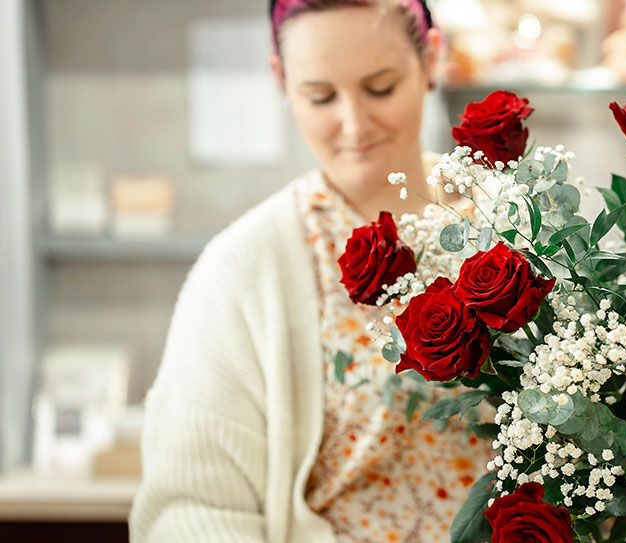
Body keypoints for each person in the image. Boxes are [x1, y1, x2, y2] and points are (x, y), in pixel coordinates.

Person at [129, 1, 494, 542]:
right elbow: (191, 510)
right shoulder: (243, 271)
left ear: (431, 58)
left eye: (380, 88)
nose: (353, 123)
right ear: (280, 78)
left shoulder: (519, 224)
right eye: (320, 96)